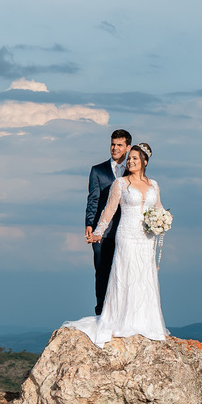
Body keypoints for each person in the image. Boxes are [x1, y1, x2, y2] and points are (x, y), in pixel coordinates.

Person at [66, 143, 169, 347]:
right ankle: (122, 320)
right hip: (127, 234)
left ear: (144, 162)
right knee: (126, 273)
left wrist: (164, 220)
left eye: (135, 159)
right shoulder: (121, 184)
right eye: (129, 158)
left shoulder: (154, 185)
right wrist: (97, 233)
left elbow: (159, 208)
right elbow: (109, 210)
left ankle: (145, 322)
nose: (130, 161)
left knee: (144, 275)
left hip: (146, 238)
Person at [86, 129, 131, 315]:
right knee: (102, 271)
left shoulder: (133, 171)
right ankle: (101, 310)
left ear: (127, 148)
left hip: (126, 230)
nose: (115, 148)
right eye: (113, 144)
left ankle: (121, 311)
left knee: (122, 273)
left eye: (119, 145)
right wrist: (90, 224)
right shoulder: (98, 170)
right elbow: (93, 199)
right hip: (101, 231)